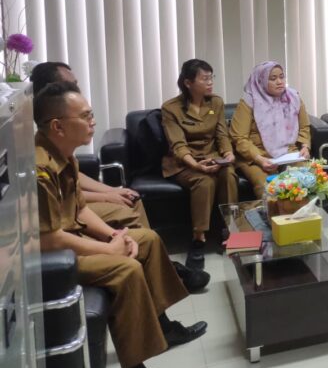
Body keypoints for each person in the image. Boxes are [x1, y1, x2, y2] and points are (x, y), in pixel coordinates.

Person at [35, 82, 207, 368]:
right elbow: (50, 238)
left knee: (148, 240)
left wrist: (113, 236)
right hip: (57, 256)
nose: (93, 121)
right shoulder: (40, 168)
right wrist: (109, 250)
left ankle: (163, 325)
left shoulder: (64, 155)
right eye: (85, 116)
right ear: (57, 126)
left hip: (74, 240)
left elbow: (80, 210)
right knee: (126, 269)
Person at [31, 61, 209, 292]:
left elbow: (74, 187)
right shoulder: (41, 154)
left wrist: (111, 195)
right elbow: (58, 220)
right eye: (71, 84)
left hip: (74, 216)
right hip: (65, 230)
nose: (77, 88)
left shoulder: (63, 148)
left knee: (136, 210)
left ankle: (159, 268)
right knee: (129, 232)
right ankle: (156, 269)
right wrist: (110, 238)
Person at [161, 59, 238, 270]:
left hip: (213, 157)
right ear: (188, 82)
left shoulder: (216, 103)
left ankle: (230, 230)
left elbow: (222, 135)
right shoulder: (171, 108)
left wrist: (228, 154)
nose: (210, 82)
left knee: (229, 174)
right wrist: (197, 166)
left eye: (211, 77)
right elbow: (178, 145)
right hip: (184, 163)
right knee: (204, 181)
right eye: (205, 78)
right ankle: (199, 238)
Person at [230, 61, 311, 200]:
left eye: (282, 76)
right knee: (268, 188)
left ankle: (301, 214)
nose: (279, 82)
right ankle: (271, 214)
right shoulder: (249, 102)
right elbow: (239, 138)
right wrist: (259, 158)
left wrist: (305, 146)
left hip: (287, 152)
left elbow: (304, 126)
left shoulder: (293, 97)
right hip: (256, 156)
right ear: (260, 81)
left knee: (306, 179)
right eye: (273, 78)